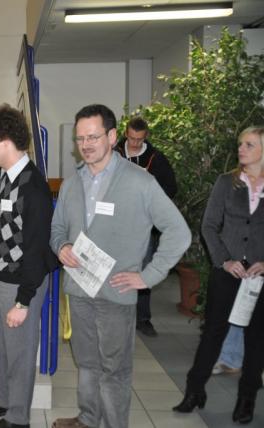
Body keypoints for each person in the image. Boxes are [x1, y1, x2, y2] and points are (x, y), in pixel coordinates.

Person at [50, 104, 190, 428]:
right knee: (87, 363)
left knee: (114, 371)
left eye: (93, 137)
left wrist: (149, 276)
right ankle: (88, 418)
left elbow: (178, 232)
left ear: (112, 136)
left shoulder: (140, 182)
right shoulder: (71, 184)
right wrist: (62, 246)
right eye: (80, 138)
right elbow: (57, 229)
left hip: (116, 294)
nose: (85, 145)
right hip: (79, 290)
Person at [0, 105, 57, 428]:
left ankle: (18, 419)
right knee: (0, 348)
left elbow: (37, 250)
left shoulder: (33, 186)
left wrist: (23, 301)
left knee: (20, 353)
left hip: (20, 284)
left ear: (5, 141)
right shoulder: (6, 176)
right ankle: (5, 400)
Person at [173, 126, 264, 425]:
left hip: (259, 277)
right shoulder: (227, 182)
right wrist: (224, 261)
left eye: (249, 144)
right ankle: (194, 391)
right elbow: (209, 225)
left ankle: (246, 399)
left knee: (256, 338)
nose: (241, 149)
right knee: (213, 332)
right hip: (227, 272)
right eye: (240, 144)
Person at [116, 116, 177, 337]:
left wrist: (150, 189)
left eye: (139, 139)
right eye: (132, 138)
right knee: (115, 270)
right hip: (115, 225)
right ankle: (117, 316)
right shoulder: (113, 155)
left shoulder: (156, 159)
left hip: (144, 226)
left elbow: (171, 188)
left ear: (146, 136)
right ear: (126, 133)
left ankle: (143, 319)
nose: (134, 143)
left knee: (143, 271)